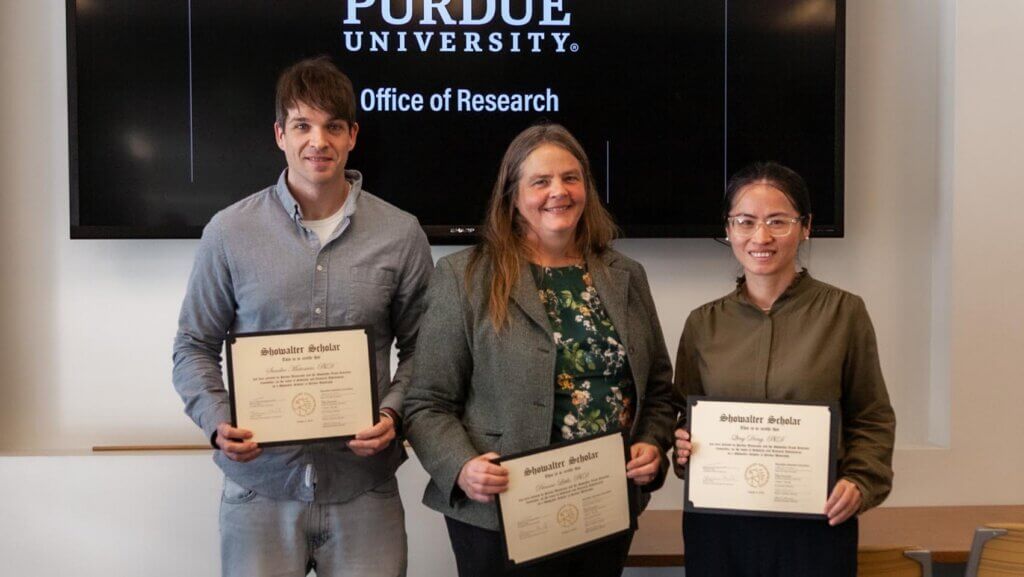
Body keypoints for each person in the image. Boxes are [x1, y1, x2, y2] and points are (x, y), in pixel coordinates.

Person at [172, 56, 432, 577]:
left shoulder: (401, 233)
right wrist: (218, 420)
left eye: (333, 126)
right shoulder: (229, 232)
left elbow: (426, 347)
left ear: (352, 135)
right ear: (280, 135)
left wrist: (394, 414)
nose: (319, 141)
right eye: (302, 125)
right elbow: (193, 347)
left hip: (364, 488)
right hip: (259, 490)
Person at [403, 123, 676, 576]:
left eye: (571, 178)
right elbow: (427, 402)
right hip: (501, 513)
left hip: (604, 506)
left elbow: (660, 391)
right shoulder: (464, 277)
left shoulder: (627, 275)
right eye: (540, 181)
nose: (559, 192)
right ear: (512, 196)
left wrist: (651, 442)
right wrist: (462, 466)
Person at [672, 162, 896, 577]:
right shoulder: (702, 323)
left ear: (805, 227)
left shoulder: (844, 313)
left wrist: (860, 482)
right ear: (728, 229)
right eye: (745, 221)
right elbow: (683, 418)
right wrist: (684, 447)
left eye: (778, 221)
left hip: (815, 528)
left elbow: (872, 416)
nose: (761, 237)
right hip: (720, 532)